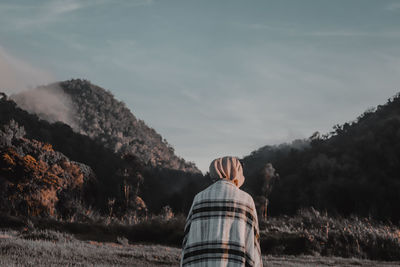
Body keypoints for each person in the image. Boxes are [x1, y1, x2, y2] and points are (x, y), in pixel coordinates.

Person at [180, 156, 262, 267]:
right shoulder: (246, 200)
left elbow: (187, 240)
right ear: (236, 172)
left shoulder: (199, 198)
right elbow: (252, 243)